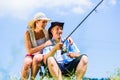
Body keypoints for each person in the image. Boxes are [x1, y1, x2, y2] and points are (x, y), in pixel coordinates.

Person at [20, 12, 52, 80]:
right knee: (27, 62)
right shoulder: (28, 33)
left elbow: (57, 38)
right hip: (31, 54)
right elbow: (29, 51)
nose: (45, 24)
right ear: (37, 22)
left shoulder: (47, 33)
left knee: (37, 58)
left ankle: (32, 78)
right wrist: (44, 45)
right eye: (43, 22)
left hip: (43, 55)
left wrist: (68, 38)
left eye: (46, 22)